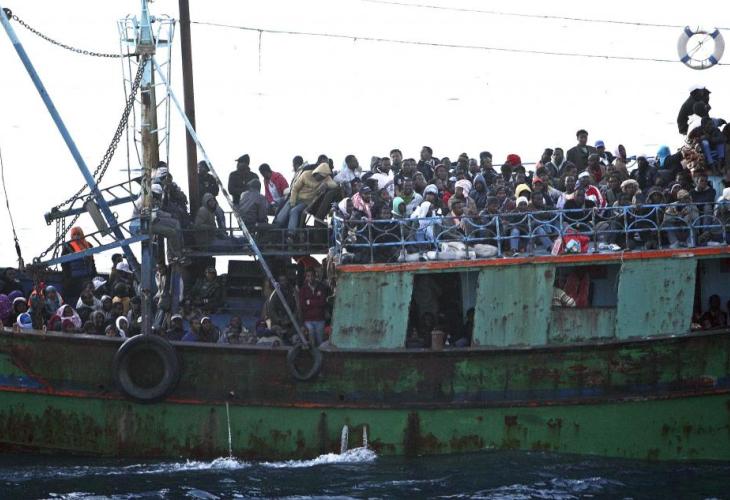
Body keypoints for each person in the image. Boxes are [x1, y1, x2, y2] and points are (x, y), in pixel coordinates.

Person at [275, 162, 338, 242]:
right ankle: (276, 231)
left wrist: (326, 184)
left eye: (323, 177)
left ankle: (291, 235)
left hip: (306, 202)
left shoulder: (325, 178)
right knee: (281, 218)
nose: (321, 178)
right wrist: (293, 202)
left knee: (294, 211)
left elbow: (335, 185)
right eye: (320, 176)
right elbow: (295, 189)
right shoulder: (305, 175)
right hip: (296, 197)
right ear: (317, 172)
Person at [60, 226, 96, 300]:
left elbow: (92, 262)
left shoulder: (89, 245)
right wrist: (68, 278)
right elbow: (64, 264)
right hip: (74, 278)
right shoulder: (67, 246)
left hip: (88, 276)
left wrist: (94, 274)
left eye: (78, 234)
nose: (76, 236)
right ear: (71, 236)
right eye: (74, 234)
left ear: (82, 234)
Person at [298, 269, 327, 346]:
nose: (310, 278)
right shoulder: (303, 289)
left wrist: (309, 302)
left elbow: (323, 302)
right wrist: (316, 301)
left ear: (315, 276)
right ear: (306, 277)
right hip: (308, 320)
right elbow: (303, 305)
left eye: (312, 276)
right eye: (308, 276)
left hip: (320, 320)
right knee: (311, 343)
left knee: (320, 343)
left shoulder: (321, 287)